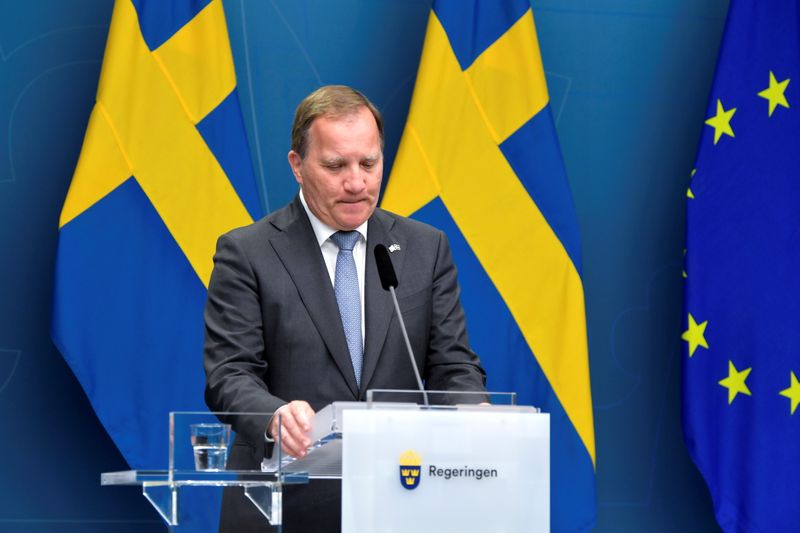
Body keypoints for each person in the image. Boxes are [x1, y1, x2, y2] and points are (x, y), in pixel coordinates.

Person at [203, 85, 486, 532]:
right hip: (282, 505)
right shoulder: (248, 252)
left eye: (368, 163)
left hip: (398, 502)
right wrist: (274, 416)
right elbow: (229, 375)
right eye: (335, 165)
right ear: (298, 166)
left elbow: (452, 364)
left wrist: (476, 414)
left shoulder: (424, 248)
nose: (356, 182)